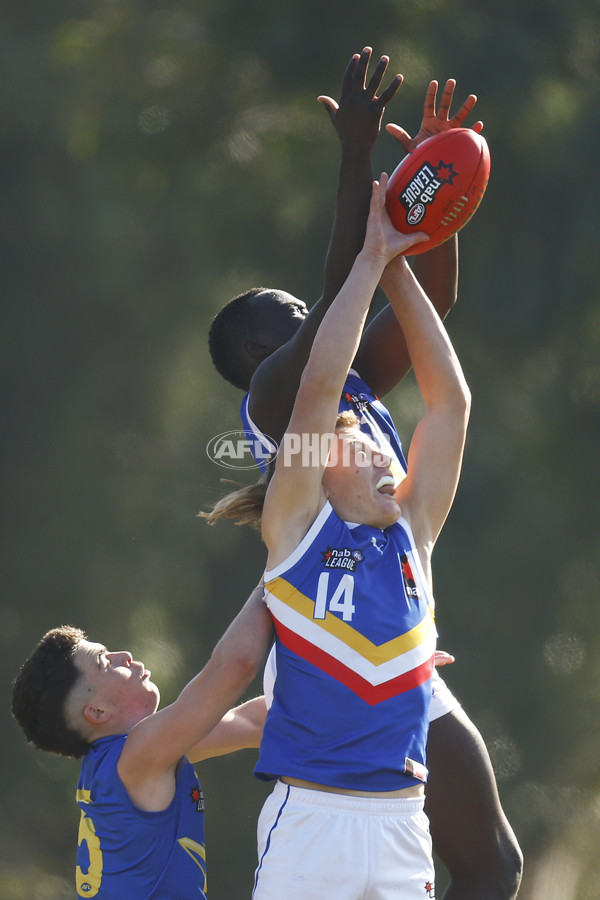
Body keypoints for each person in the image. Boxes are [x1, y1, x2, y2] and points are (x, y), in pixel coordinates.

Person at [207, 49, 522, 899]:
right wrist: (358, 161)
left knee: (494, 862)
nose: (318, 311)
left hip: (395, 625)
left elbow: (434, 314)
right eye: (297, 315)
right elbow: (346, 278)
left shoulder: (347, 388)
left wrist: (432, 200)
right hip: (329, 643)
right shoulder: (279, 404)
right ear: (253, 349)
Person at [251, 173, 463, 897]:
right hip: (313, 820)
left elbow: (450, 403)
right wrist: (370, 258)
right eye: (364, 452)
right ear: (316, 469)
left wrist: (404, 265)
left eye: (385, 452)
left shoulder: (414, 534)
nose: (385, 461)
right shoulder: (295, 536)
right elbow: (317, 393)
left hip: (405, 823)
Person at [10, 584, 272, 899]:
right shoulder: (138, 756)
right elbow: (236, 665)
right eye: (105, 662)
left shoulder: (129, 760)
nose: (125, 656)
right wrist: (277, 573)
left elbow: (255, 722)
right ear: (96, 711)